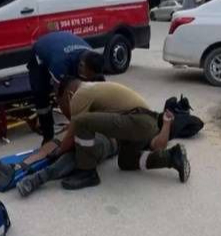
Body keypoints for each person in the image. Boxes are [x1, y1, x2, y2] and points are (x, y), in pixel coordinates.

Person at [0, 80, 179, 195]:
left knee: (75, 145)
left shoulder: (146, 122)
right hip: (113, 139)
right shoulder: (126, 109)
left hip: (110, 142)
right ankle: (16, 168)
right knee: (70, 139)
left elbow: (156, 144)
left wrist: (167, 125)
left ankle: (37, 178)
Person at [58, 79, 190, 190]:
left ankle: (87, 172)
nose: (66, 110)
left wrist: (58, 151)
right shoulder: (93, 88)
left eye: (63, 105)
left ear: (68, 94)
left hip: (137, 119)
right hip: (145, 122)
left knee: (81, 122)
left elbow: (76, 127)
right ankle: (172, 156)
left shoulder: (79, 94)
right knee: (126, 161)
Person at [28, 31, 105, 144]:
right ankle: (48, 137)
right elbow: (61, 98)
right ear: (82, 66)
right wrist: (75, 124)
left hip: (64, 45)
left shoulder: (92, 57)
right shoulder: (59, 63)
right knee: (41, 95)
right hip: (40, 56)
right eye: (87, 76)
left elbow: (100, 88)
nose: (88, 79)